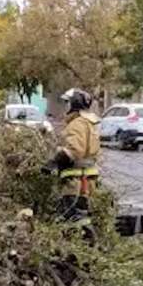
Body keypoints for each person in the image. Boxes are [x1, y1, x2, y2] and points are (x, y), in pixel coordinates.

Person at [43, 88, 101, 233]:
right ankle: (85, 244)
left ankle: (82, 244)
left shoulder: (78, 123)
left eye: (67, 102)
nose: (65, 106)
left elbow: (75, 150)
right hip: (85, 178)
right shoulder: (88, 122)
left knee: (73, 216)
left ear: (75, 104)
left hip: (76, 180)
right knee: (81, 214)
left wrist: (55, 161)